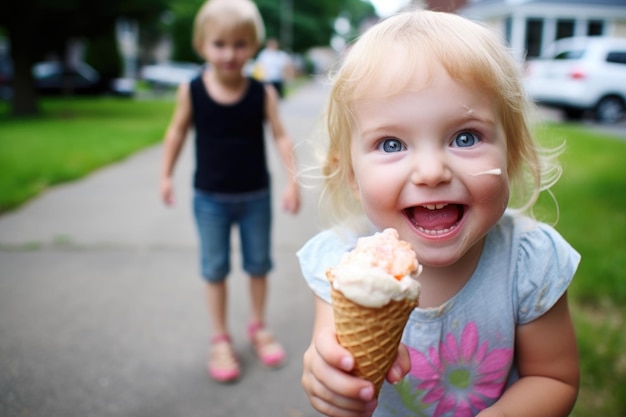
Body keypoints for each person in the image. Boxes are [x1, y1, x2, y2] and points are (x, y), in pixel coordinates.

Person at [297, 9, 580, 417]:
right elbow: (331, 353)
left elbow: (554, 378)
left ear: (513, 155)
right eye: (392, 144)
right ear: (352, 175)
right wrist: (327, 378)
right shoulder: (340, 265)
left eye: (465, 137)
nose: (431, 172)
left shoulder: (530, 262)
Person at [159, 0, 300, 383]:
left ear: (252, 46)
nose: (229, 53)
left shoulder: (262, 93)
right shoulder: (191, 91)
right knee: (215, 268)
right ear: (202, 45)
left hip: (255, 195)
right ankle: (220, 337)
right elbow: (175, 133)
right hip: (210, 199)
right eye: (219, 44)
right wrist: (166, 175)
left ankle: (258, 325)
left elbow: (282, 136)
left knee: (258, 265)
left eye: (240, 44)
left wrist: (292, 181)